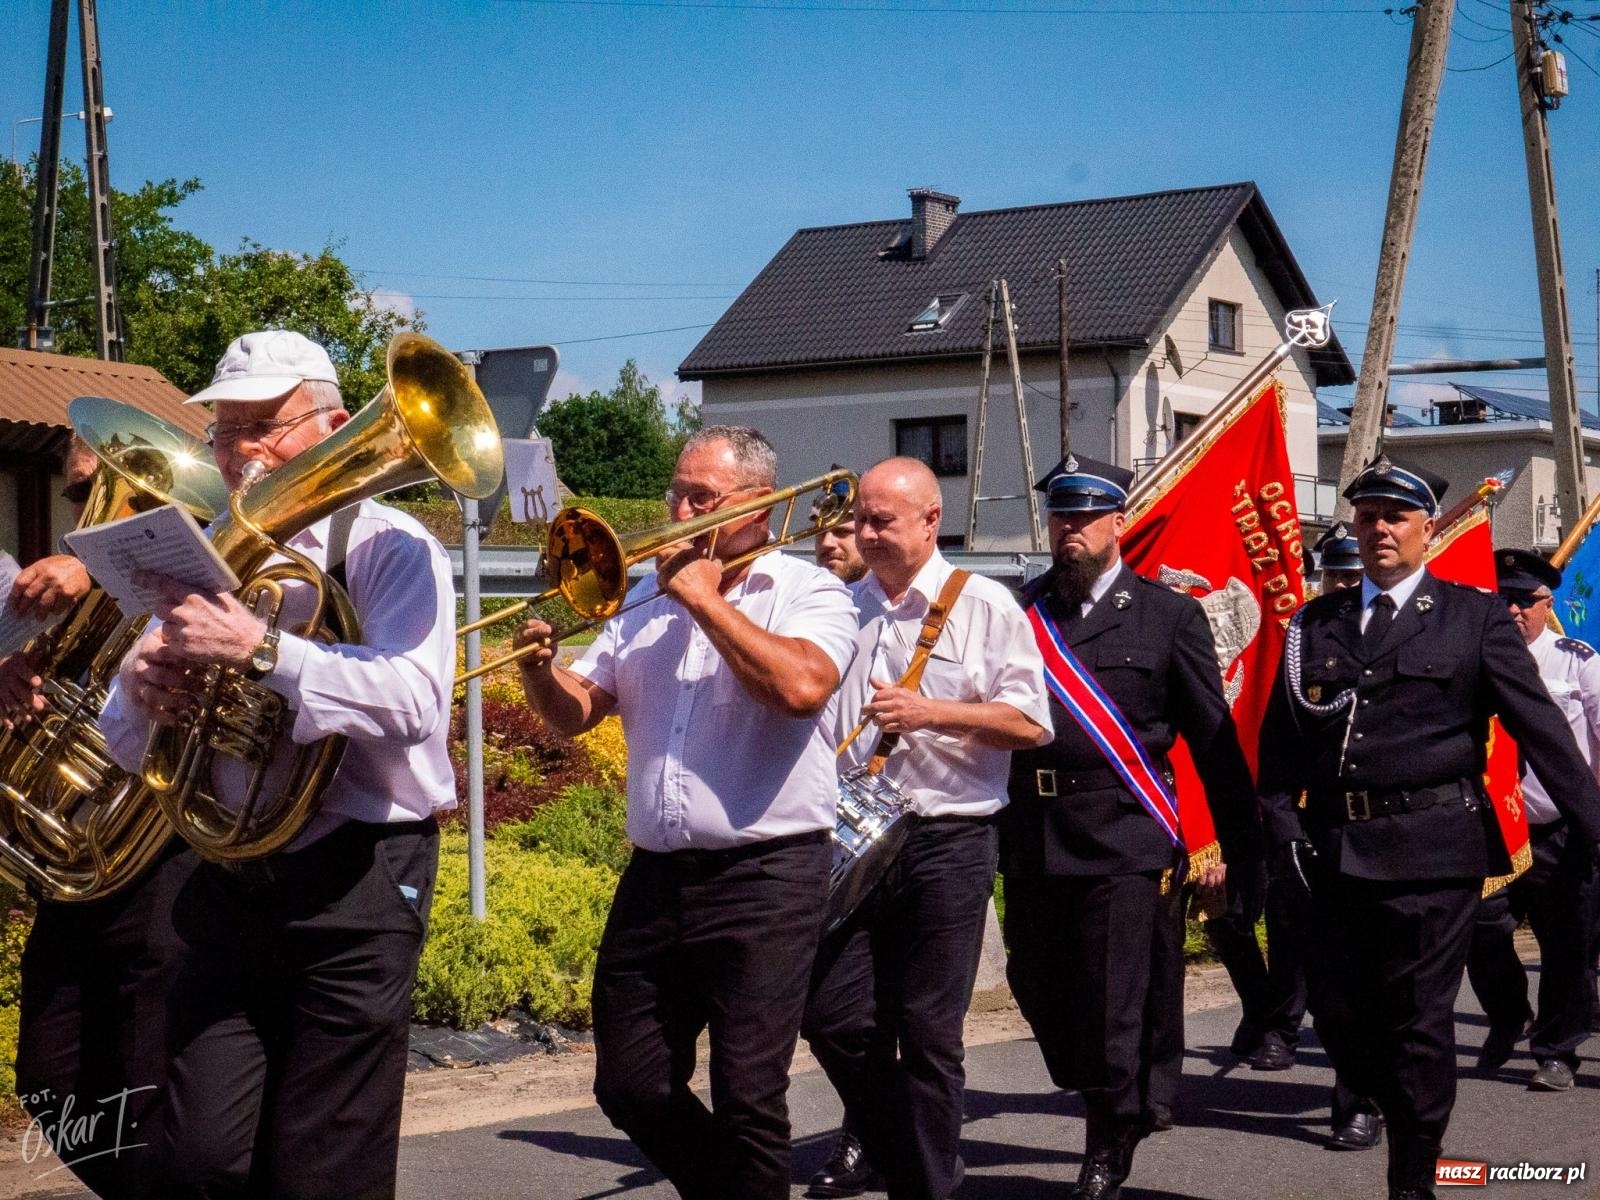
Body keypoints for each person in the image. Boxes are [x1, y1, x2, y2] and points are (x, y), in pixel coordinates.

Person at [99, 329, 456, 1200]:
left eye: (267, 426)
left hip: (360, 882)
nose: (242, 453)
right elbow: (120, 741)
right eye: (225, 432)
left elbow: (417, 703)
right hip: (229, 877)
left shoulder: (391, 546)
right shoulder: (203, 549)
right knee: (192, 1158)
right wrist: (144, 696)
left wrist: (266, 652)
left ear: (335, 424)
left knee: (323, 1170)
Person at [514, 425, 859, 1200]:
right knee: (629, 1084)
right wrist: (542, 672)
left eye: (701, 497)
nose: (679, 509)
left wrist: (703, 599)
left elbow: (801, 690)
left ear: (762, 505)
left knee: (749, 1095)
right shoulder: (641, 597)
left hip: (769, 873)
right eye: (678, 491)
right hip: (658, 875)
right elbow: (579, 711)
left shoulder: (813, 592)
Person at [1257, 456, 1600, 1200]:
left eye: (1395, 517)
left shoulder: (1472, 618)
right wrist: (1280, 831)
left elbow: (1542, 732)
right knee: (1342, 1014)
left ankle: (1414, 1176)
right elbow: (1281, 747)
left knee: (1418, 1022)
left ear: (1425, 530)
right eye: (1367, 516)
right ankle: (1384, 1099)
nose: (1379, 529)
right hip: (1333, 855)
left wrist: (1594, 828)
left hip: (1432, 853)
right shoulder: (1313, 626)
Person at [1000, 455, 1260, 1200]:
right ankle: (1123, 1092)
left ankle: (1107, 1140)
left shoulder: (1167, 615)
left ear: (1120, 522)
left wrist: (1245, 854)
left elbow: (1212, 739)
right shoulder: (1021, 612)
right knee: (1036, 984)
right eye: (1060, 515)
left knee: (1111, 998)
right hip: (1033, 832)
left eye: (1085, 516)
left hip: (1122, 835)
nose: (1070, 528)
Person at [803, 457, 1050, 1200]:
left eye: (885, 520)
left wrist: (930, 713)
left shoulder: (983, 605)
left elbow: (1032, 723)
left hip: (948, 841)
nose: (868, 534)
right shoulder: (845, 606)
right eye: (862, 521)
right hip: (854, 837)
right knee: (832, 1014)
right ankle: (892, 1148)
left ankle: (931, 1184)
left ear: (931, 520)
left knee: (929, 1032)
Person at [3, 438, 197, 1200]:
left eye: (104, 494)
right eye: (81, 497)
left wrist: (98, 572)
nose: (87, 515)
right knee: (49, 1082)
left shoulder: (203, 563)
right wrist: (13, 672)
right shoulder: (54, 587)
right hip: (76, 864)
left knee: (147, 1085)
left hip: (162, 865)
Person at [1464, 549, 1600, 1090]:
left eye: (1525, 600)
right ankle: (1509, 1011)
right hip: (1492, 825)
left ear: (1548, 605)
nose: (1514, 610)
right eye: (1503, 599)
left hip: (1561, 828)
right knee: (1481, 925)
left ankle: (1557, 1051)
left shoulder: (1578, 661)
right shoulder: (1470, 659)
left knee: (1569, 942)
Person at [804, 487, 880, 1200]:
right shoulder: (805, 605)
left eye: (844, 532)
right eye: (821, 535)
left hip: (906, 826)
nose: (829, 545)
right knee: (825, 1008)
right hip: (826, 823)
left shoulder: (896, 605)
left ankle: (876, 1136)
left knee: (907, 1013)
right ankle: (878, 1126)